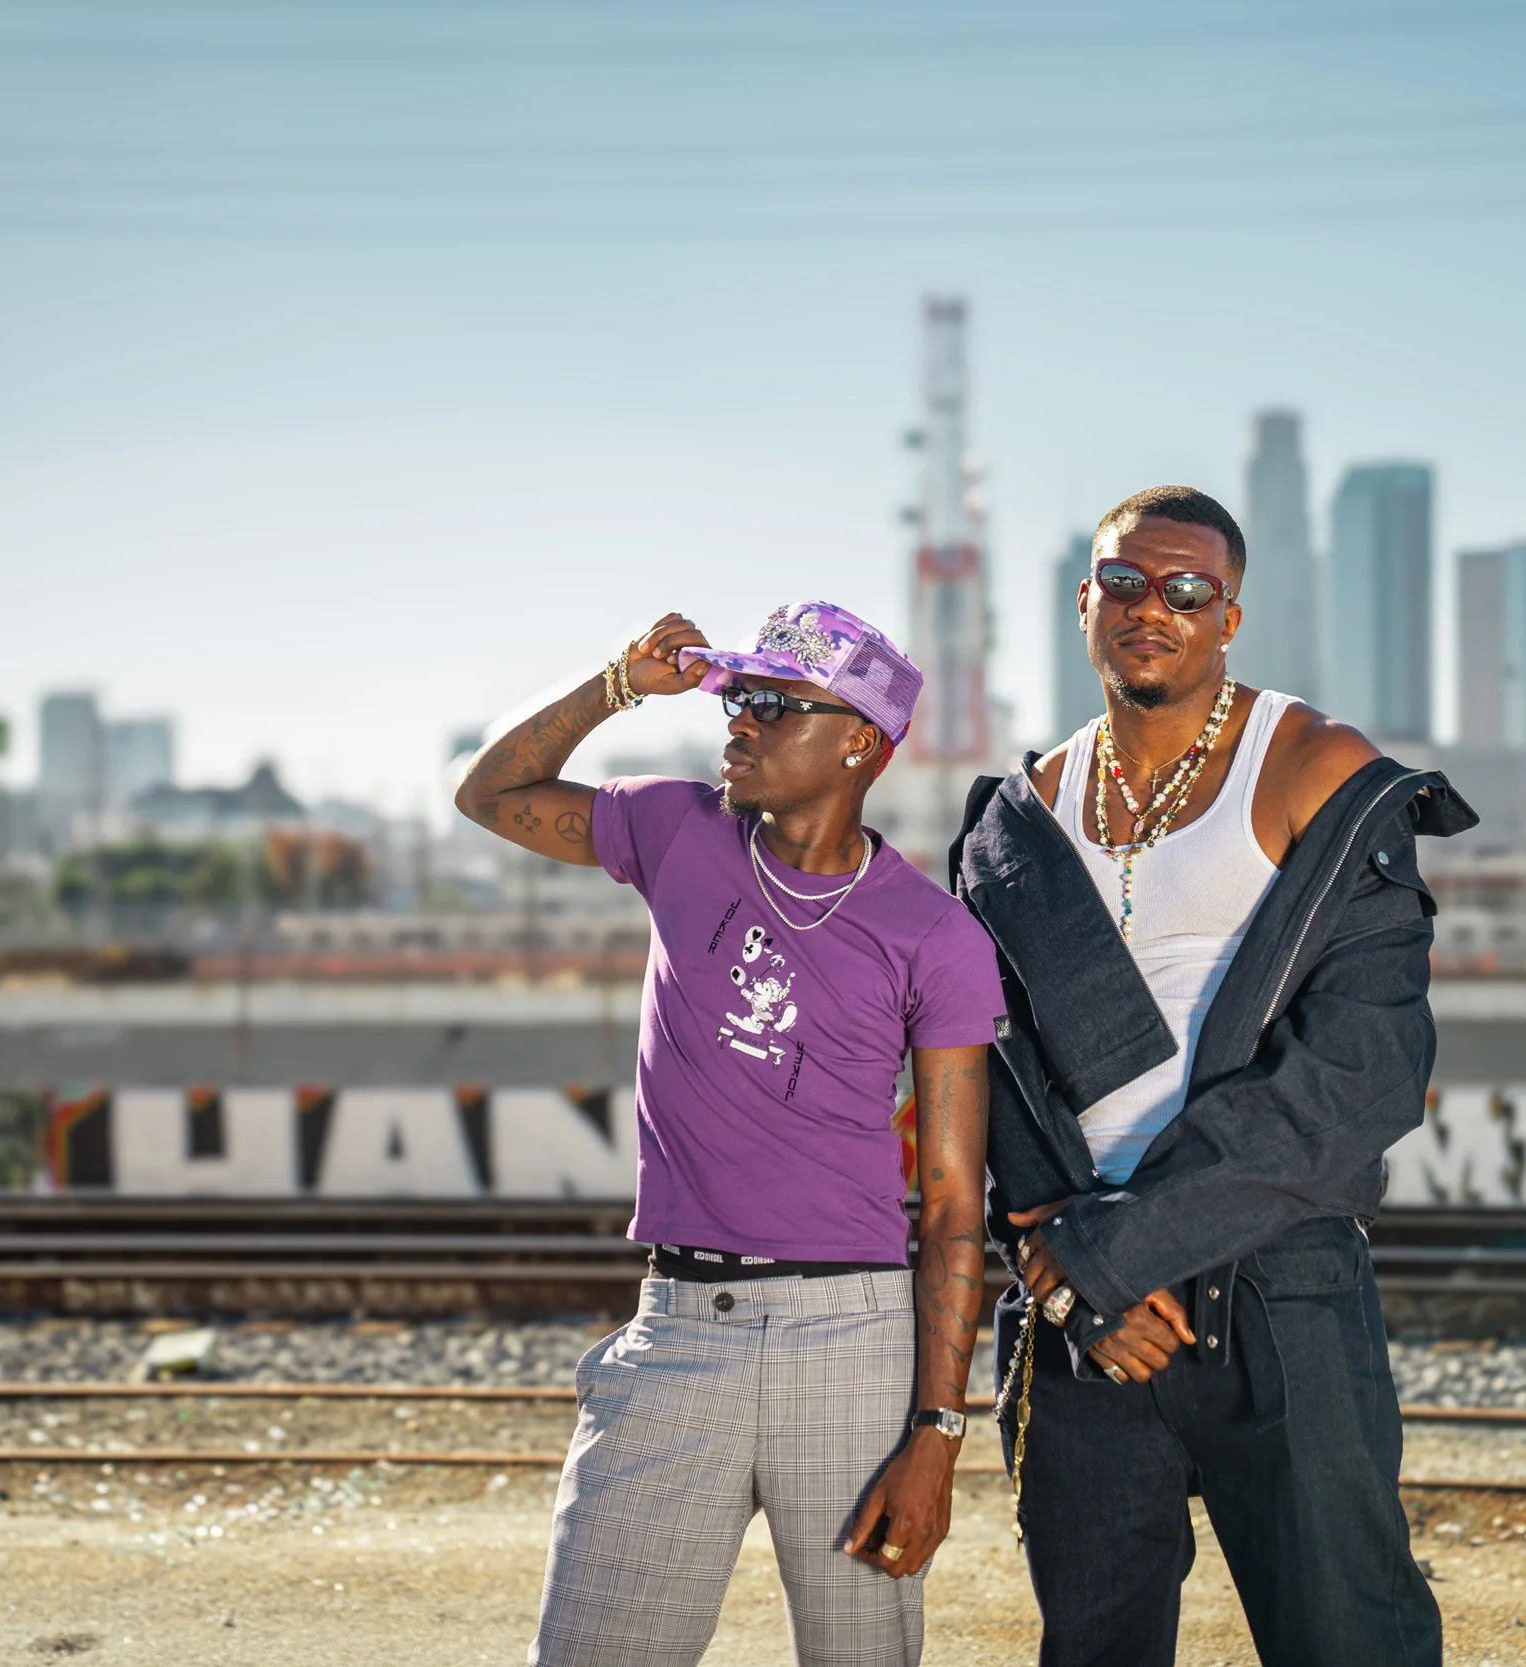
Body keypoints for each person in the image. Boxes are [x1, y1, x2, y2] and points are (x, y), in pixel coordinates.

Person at [952, 486, 1475, 1667]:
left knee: (1351, 1637)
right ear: (1084, 599)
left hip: (1275, 1282)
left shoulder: (1314, 767)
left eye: (1188, 590)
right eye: (1126, 582)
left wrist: (1112, 1252)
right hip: (1083, 1310)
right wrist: (1064, 1260)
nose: (1155, 609)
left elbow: (1363, 1072)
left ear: (1228, 615)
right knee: (1093, 1646)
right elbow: (995, 1067)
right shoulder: (1017, 817)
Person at [457, 601, 1004, 1667]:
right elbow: (490, 795)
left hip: (852, 1339)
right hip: (677, 1329)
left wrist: (936, 1433)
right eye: (736, 698)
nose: (737, 722)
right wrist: (619, 682)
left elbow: (950, 1207)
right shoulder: (675, 830)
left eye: (771, 703)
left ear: (859, 739)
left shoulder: (932, 934)